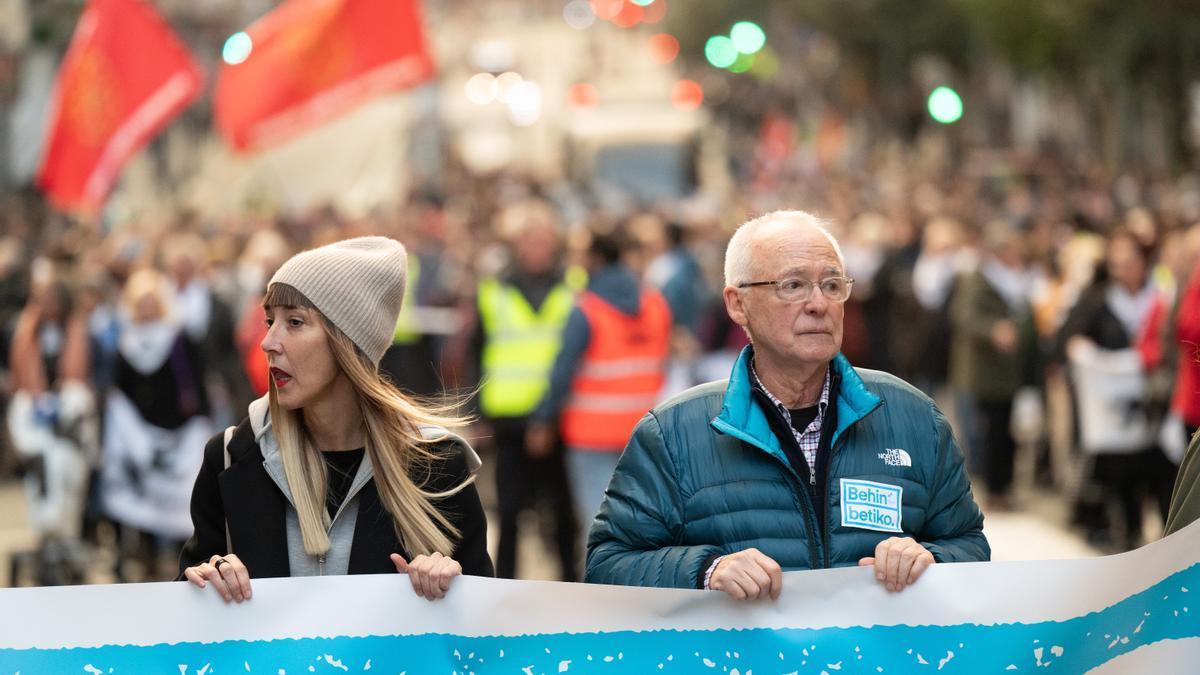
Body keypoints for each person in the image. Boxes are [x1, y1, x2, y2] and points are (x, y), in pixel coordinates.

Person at [586, 210, 989, 600]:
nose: (819, 303)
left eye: (832, 285)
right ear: (737, 303)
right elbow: (608, 564)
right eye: (793, 285)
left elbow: (970, 546)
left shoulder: (914, 418)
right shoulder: (673, 433)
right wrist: (707, 571)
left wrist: (929, 559)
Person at [179, 237, 493, 602]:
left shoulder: (437, 464)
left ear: (348, 341)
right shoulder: (231, 456)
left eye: (295, 322)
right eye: (270, 321)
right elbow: (185, 628)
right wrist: (203, 583)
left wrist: (450, 588)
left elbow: (482, 634)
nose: (268, 342)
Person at [527, 229, 672, 555]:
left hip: (590, 435)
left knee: (599, 527)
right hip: (644, 431)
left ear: (595, 259)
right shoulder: (654, 304)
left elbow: (562, 373)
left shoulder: (586, 309)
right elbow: (662, 363)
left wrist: (542, 419)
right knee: (645, 525)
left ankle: (602, 597)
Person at [468, 202, 579, 580]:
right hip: (509, 417)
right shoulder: (493, 291)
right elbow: (476, 352)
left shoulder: (574, 287)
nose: (536, 247)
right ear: (516, 244)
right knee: (510, 512)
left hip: (561, 415)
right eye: (529, 240)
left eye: (543, 239)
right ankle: (505, 589)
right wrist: (476, 410)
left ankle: (570, 586)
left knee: (563, 512)